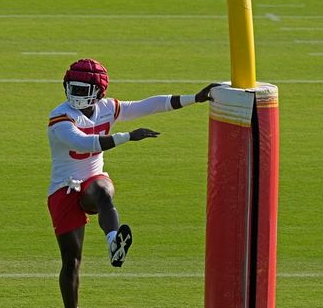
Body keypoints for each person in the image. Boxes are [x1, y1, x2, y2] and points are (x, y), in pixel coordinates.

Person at [46, 58, 217, 308]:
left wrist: (194, 98)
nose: (75, 94)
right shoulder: (60, 117)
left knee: (103, 191)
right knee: (71, 261)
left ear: (98, 92)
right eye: (72, 87)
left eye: (82, 89)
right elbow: (84, 143)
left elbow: (149, 105)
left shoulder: (108, 107)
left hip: (91, 181)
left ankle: (114, 241)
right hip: (64, 188)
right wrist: (128, 136)